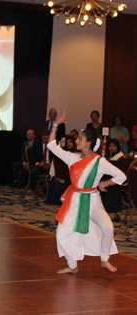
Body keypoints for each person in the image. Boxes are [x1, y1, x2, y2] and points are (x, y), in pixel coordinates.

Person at [48, 110, 126, 274]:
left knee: (108, 227)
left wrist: (106, 182)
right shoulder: (73, 158)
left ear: (89, 143)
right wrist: (55, 125)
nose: (76, 140)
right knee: (61, 234)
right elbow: (51, 145)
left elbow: (121, 175)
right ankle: (72, 265)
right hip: (74, 201)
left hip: (93, 202)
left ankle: (104, 259)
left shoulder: (99, 161)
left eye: (80, 139)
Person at [31, 130, 53, 196]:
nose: (46, 140)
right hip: (40, 165)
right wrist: (38, 163)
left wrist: (51, 164)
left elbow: (56, 158)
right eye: (44, 138)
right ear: (42, 138)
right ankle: (34, 189)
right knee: (34, 170)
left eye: (47, 138)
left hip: (50, 165)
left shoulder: (53, 146)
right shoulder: (36, 144)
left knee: (56, 171)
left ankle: (49, 189)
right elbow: (31, 157)